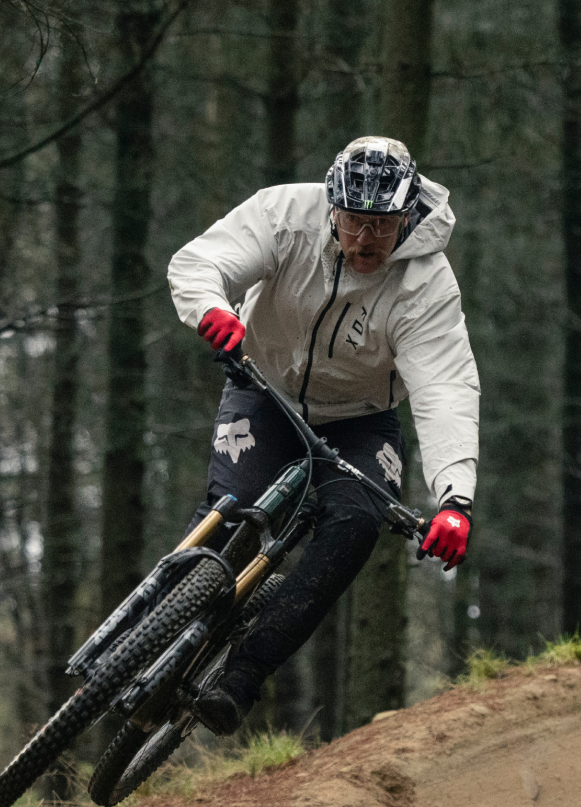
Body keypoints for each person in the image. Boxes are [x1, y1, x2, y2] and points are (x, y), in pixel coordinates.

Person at [167, 136, 480, 735]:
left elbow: (445, 389)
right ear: (330, 205)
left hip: (362, 417)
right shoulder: (284, 215)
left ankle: (239, 679)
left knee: (356, 524)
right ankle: (157, 627)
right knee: (229, 513)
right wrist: (212, 308)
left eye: (383, 226)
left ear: (409, 215)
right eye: (354, 221)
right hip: (264, 388)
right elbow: (201, 262)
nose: (366, 239)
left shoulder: (426, 284)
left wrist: (454, 501)